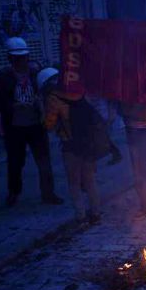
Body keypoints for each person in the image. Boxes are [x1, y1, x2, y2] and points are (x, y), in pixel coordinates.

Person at [0, 37, 62, 206]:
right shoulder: (3, 78)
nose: (21, 61)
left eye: (23, 57)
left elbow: (47, 91)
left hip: (36, 125)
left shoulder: (35, 73)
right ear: (10, 58)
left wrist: (40, 104)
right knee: (16, 161)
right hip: (15, 126)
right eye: (17, 58)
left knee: (43, 160)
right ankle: (14, 192)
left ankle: (48, 193)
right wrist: (15, 106)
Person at [40, 68, 110, 224]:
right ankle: (96, 212)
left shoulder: (53, 98)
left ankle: (80, 215)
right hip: (88, 142)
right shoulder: (79, 92)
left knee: (74, 182)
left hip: (70, 145)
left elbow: (49, 125)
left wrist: (42, 113)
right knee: (90, 180)